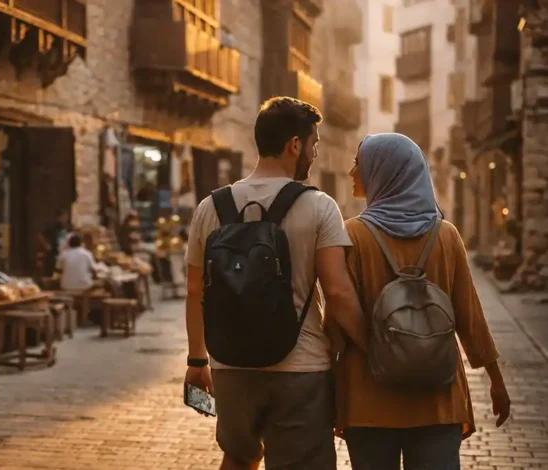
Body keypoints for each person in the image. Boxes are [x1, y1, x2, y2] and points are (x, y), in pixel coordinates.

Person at [184, 96, 368, 470]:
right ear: (294, 145)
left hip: (231, 366)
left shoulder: (210, 207)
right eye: (313, 143)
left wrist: (196, 360)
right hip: (300, 368)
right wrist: (368, 346)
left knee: (238, 457)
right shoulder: (319, 207)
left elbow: (194, 291)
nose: (314, 153)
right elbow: (337, 292)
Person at [334, 133, 511, 469]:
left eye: (359, 163)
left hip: (368, 398)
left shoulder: (352, 236)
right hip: (437, 397)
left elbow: (338, 320)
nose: (352, 171)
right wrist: (496, 382)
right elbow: (469, 316)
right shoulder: (445, 235)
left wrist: (327, 390)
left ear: (384, 170)